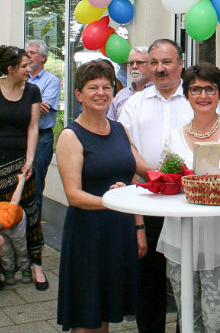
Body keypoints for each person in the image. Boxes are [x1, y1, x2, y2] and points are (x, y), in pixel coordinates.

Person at [56, 59, 151, 332]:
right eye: (92, 87)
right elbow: (73, 195)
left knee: (107, 311)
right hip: (88, 234)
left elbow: (133, 179)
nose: (100, 93)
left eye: (106, 87)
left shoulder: (120, 130)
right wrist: (111, 201)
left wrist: (139, 226)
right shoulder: (71, 137)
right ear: (79, 94)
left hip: (119, 231)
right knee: (87, 316)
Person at [159, 63, 220, 333]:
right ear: (187, 94)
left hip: (218, 236)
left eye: (209, 89)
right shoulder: (174, 137)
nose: (203, 95)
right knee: (187, 320)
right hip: (180, 235)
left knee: (216, 322)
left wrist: (210, 178)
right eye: (195, 89)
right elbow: (167, 180)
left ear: (219, 93)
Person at [118, 38, 193, 333]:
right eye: (154, 63)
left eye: (166, 62)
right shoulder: (134, 102)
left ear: (180, 64)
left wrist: (175, 177)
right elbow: (125, 143)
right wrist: (151, 173)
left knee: (185, 278)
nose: (160, 69)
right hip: (147, 203)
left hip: (186, 204)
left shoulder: (195, 98)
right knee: (148, 280)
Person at [0, 45, 47, 290]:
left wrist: (29, 159)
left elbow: (33, 127)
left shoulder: (33, 91)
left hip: (21, 160)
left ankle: (35, 264)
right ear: (11, 69)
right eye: (25, 66)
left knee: (30, 213)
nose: (30, 69)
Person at [25, 39, 62, 215]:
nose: (28, 56)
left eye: (32, 53)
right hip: (21, 135)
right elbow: (36, 107)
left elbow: (44, 109)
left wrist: (20, 104)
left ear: (44, 58)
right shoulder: (21, 79)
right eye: (27, 53)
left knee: (35, 185)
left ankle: (34, 232)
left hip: (42, 138)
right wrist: (34, 104)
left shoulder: (51, 81)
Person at [107, 46, 152, 120]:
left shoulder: (159, 93)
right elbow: (110, 124)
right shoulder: (121, 95)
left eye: (139, 62)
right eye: (131, 63)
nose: (134, 66)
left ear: (151, 65)